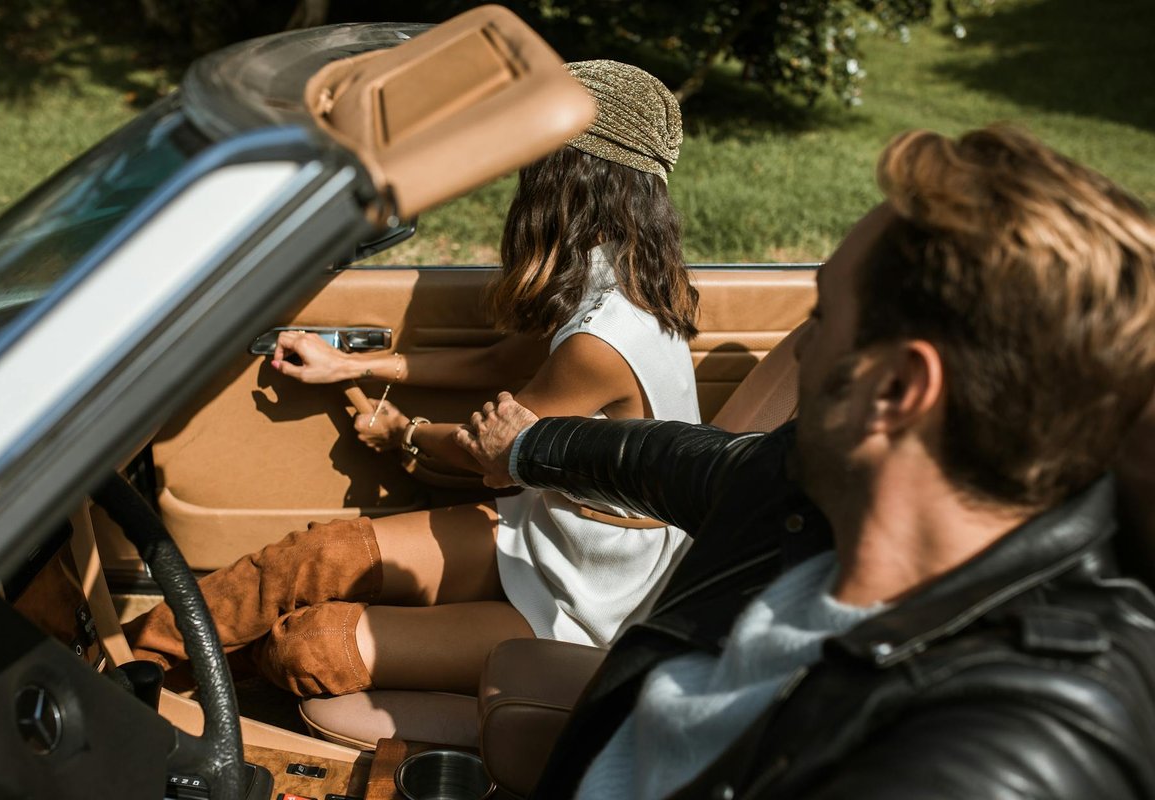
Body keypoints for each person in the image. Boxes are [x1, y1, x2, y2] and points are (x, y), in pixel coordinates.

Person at [457, 125, 1155, 799]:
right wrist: (524, 445)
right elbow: (671, 458)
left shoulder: (1004, 743)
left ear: (896, 391)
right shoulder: (810, 496)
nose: (803, 351)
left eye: (820, 318)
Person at [124, 60, 701, 697]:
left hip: (587, 601)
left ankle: (173, 686)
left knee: (310, 645)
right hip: (546, 532)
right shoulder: (606, 276)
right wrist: (354, 365)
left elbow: (494, 454)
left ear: (565, 179)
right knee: (315, 557)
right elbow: (495, 366)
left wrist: (404, 431)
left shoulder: (604, 338)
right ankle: (125, 668)